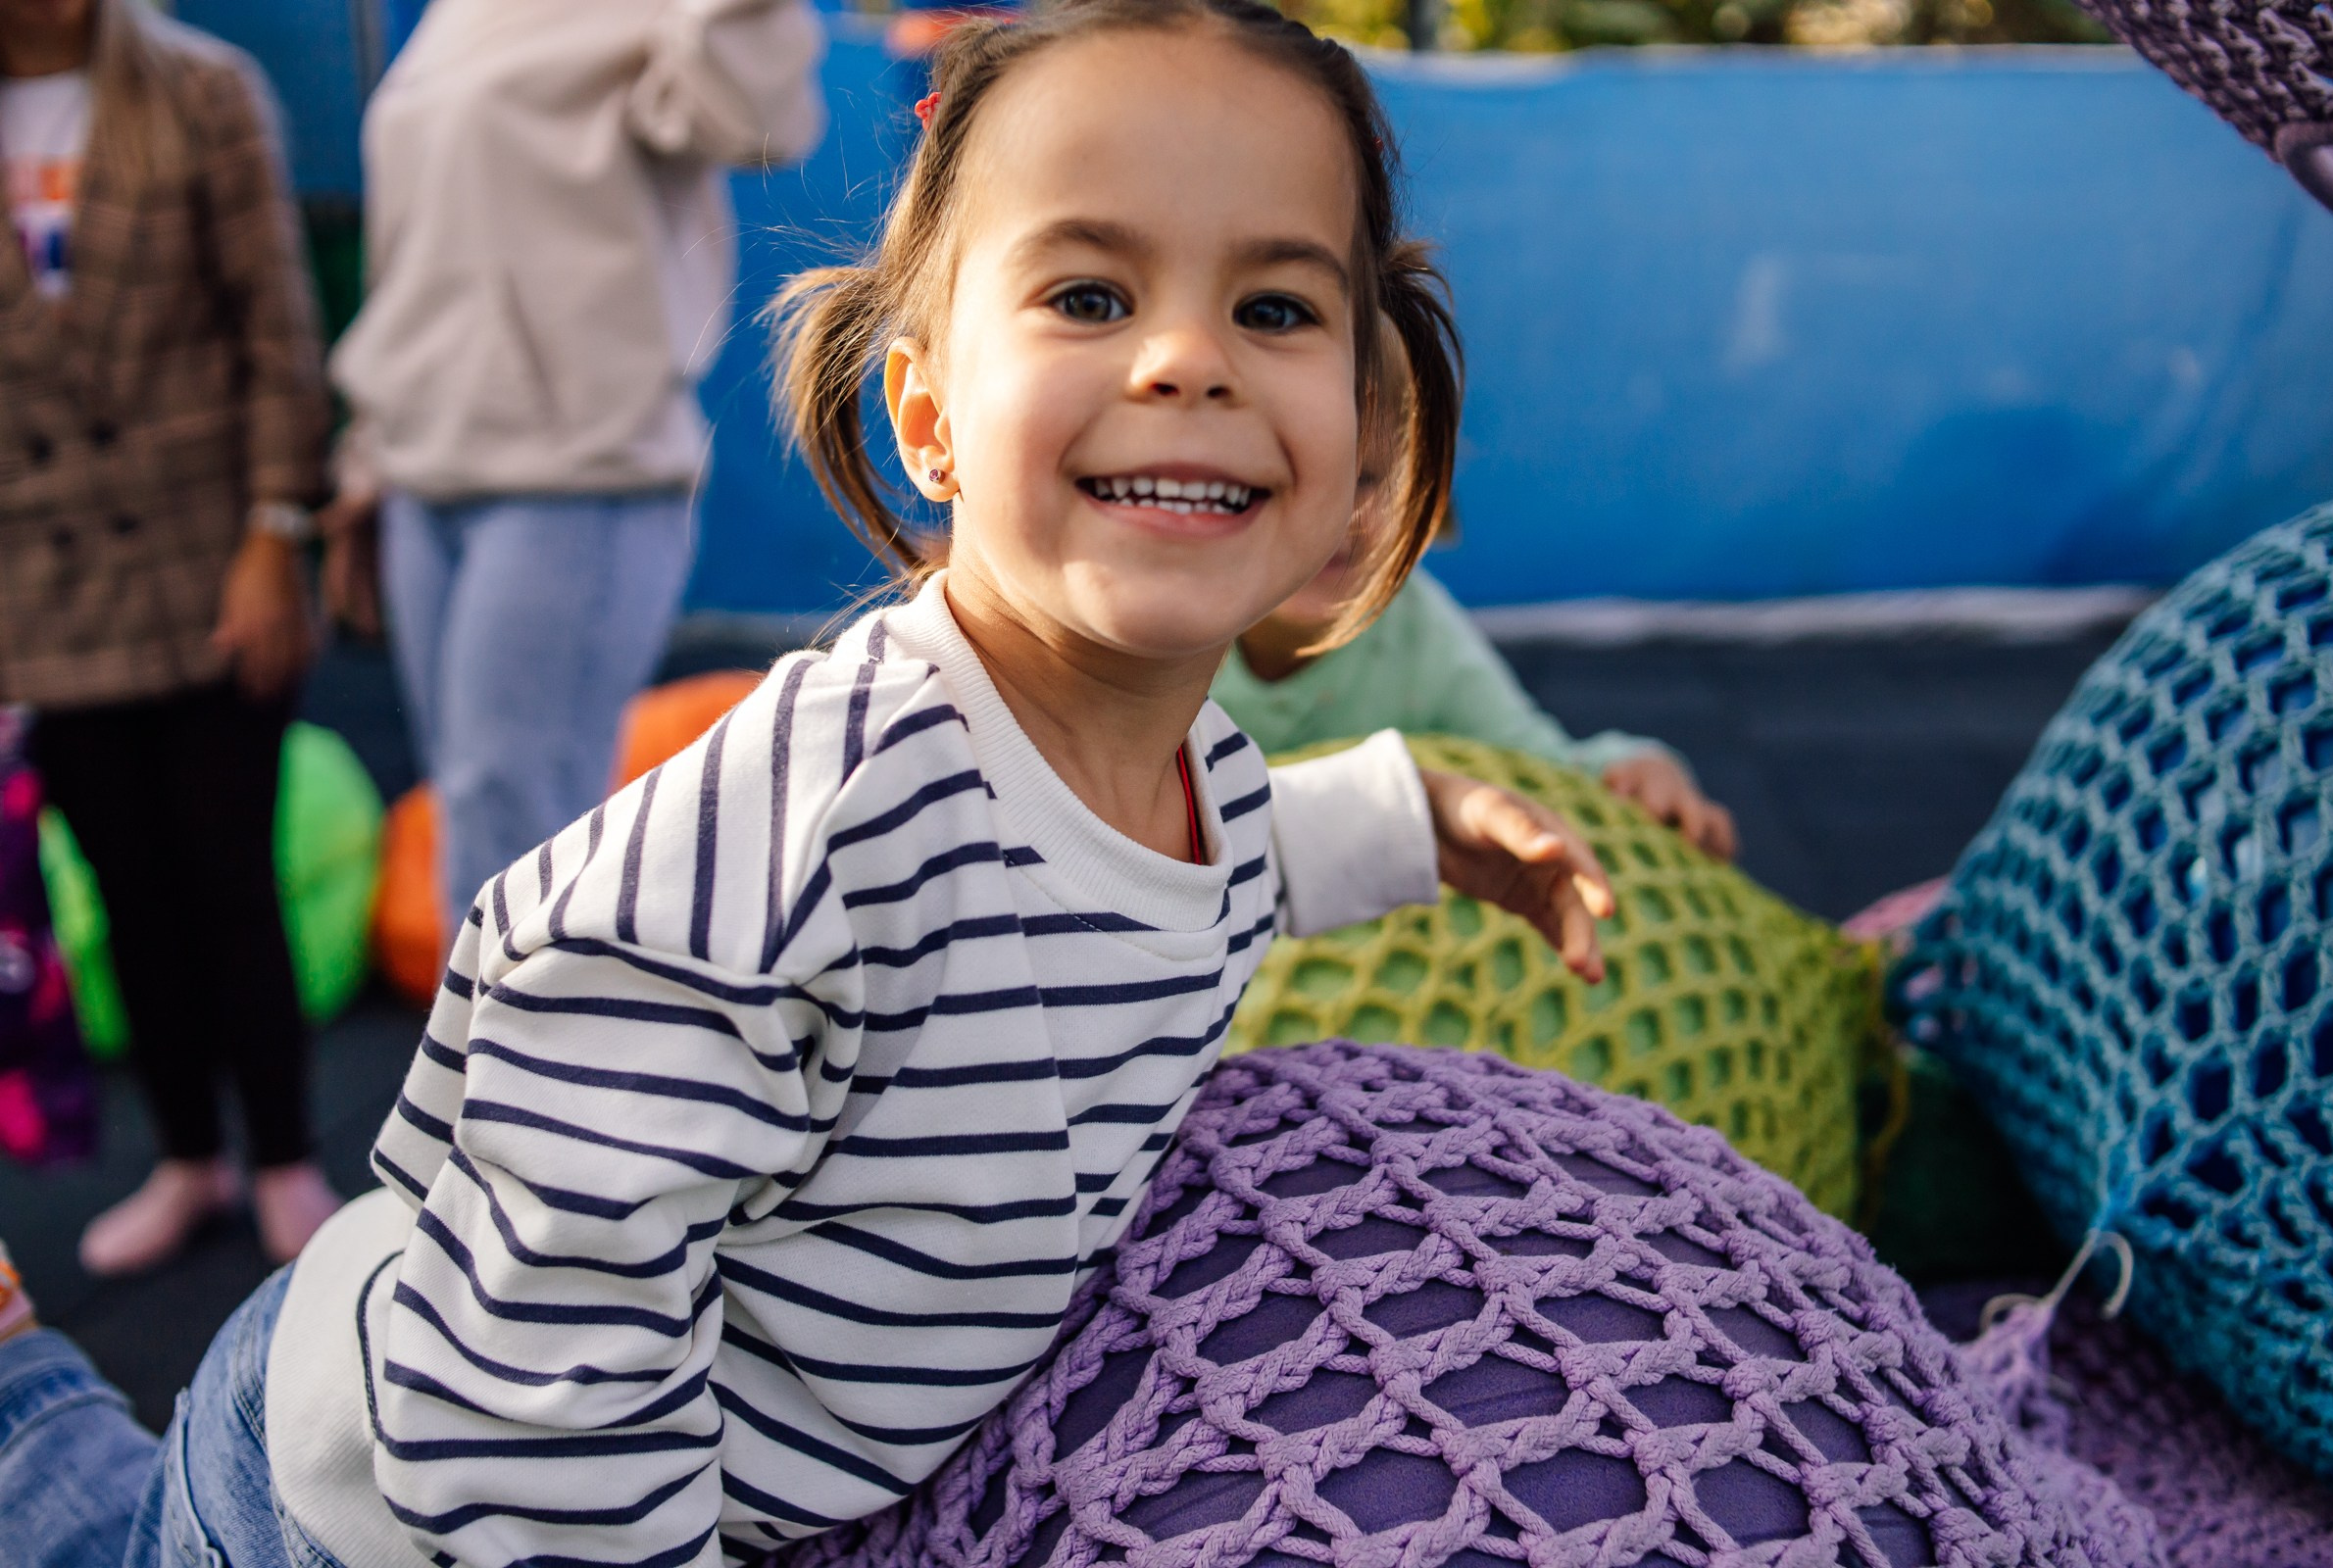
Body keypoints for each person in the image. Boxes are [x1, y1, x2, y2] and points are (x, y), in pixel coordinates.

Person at [0, 4, 1620, 1562]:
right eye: (1087, 297)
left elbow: (1207, 853)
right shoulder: (826, 820)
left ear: (1359, 425)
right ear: (927, 416)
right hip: (384, 1500)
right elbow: (551, 1301)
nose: (1187, 358)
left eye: (1274, 310)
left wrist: (1424, 822)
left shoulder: (1172, 761)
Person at [320, 0, 828, 940]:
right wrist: (367, 454)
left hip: (579, 474)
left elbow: (764, 122)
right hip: (421, 472)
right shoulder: (453, 20)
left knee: (509, 823)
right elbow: (412, 264)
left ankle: (517, 1078)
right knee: (476, 823)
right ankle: (490, 1067)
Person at [0, 0, 339, 1274]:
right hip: (36, 581)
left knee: (230, 879)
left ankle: (289, 1157)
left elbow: (276, 329)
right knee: (126, 896)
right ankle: (189, 1156)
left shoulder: (203, 90)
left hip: (205, 554)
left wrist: (272, 533)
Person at [1215, 324, 1740, 858]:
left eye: (1368, 479)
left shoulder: (1418, 632)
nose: (1337, 516)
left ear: (1420, 488)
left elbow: (1536, 764)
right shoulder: (1174, 629)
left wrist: (1633, 768)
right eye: (1289, 476)